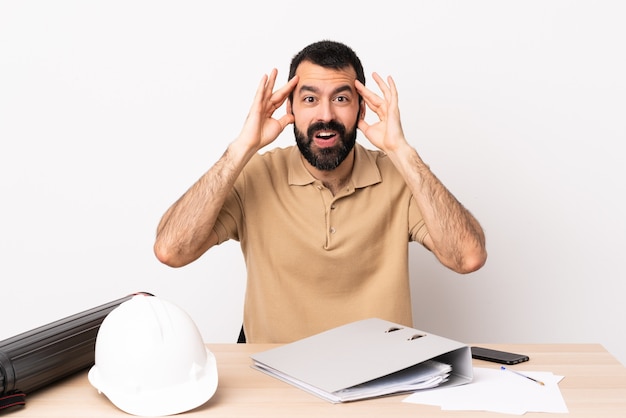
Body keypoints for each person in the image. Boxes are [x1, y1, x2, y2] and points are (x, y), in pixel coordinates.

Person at [154, 40, 487, 343]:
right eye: (310, 99)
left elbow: (467, 257)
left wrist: (402, 151)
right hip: (275, 376)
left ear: (361, 110)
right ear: (291, 110)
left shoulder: (400, 177)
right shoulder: (255, 174)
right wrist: (241, 148)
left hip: (380, 373)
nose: (325, 115)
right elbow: (172, 250)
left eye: (341, 99)